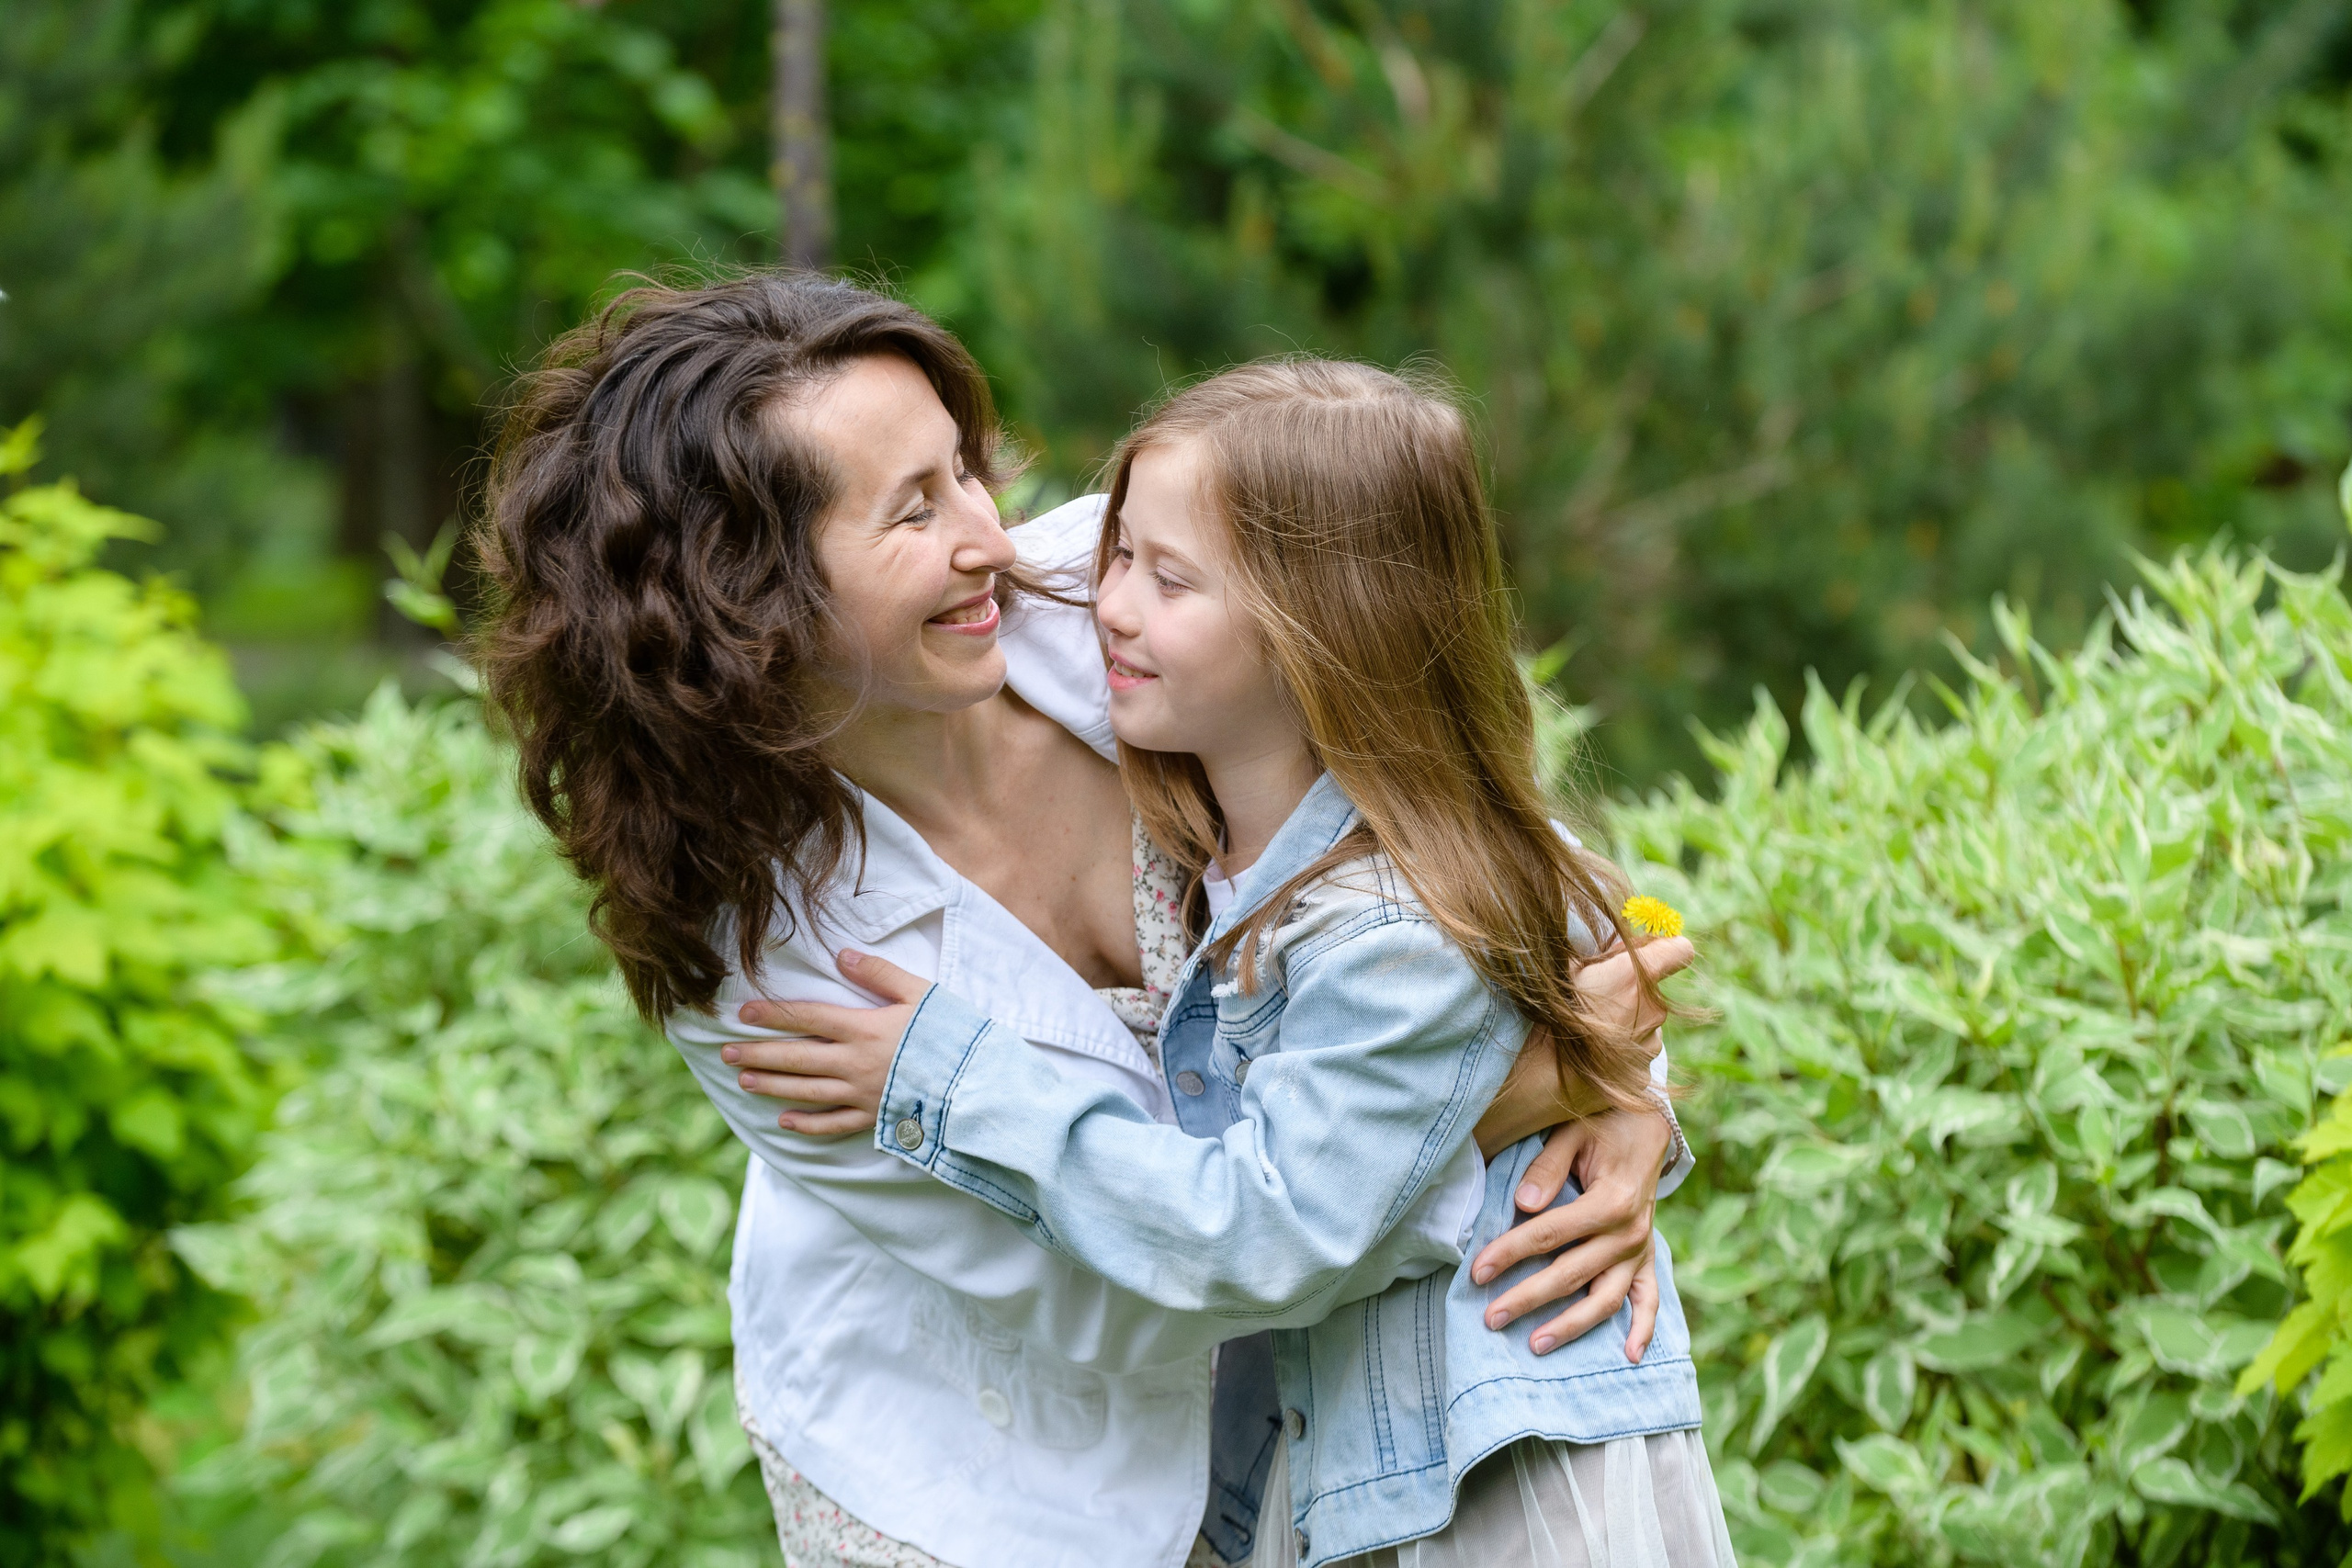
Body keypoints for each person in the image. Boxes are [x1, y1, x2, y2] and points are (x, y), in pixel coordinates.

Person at [474, 273, 1691, 1568]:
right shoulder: (773, 974)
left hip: (1297, 1420)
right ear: (747, 605)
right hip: (1005, 1470)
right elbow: (1134, 1293)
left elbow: (1488, 869)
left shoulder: (1131, 599)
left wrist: (1624, 1092)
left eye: (965, 472)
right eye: (913, 513)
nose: (992, 540)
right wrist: (1507, 1098)